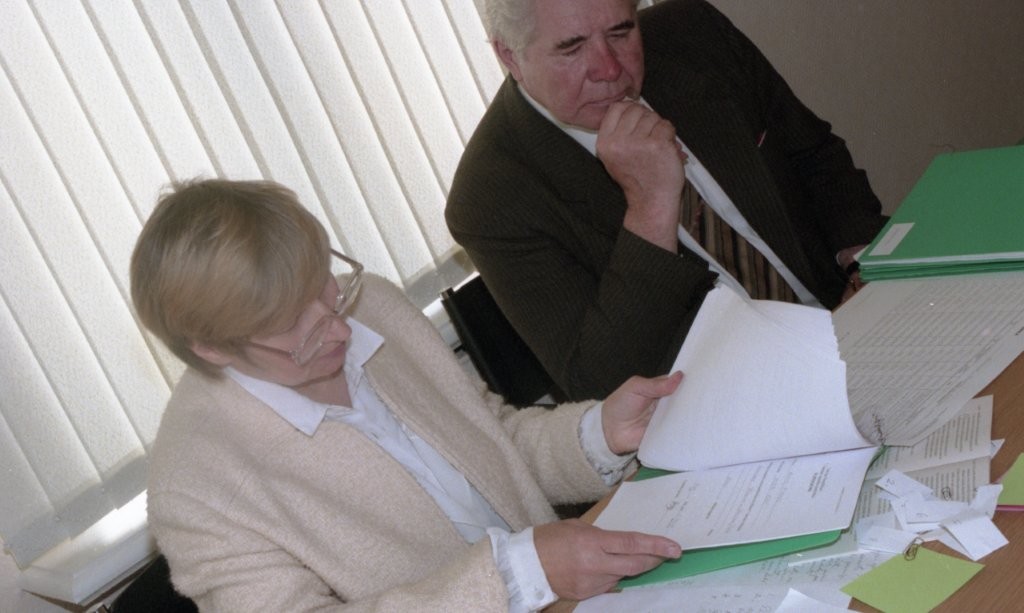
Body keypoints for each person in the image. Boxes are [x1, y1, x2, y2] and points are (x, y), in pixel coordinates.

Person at [131, 178, 684, 611]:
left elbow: (494, 440)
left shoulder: (372, 306)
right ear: (213, 348)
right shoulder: (196, 489)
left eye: (324, 282)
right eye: (293, 323)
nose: (340, 327)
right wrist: (515, 576)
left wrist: (598, 434)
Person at [445, 0, 889, 401]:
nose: (609, 69)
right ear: (509, 55)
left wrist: (862, 266)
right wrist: (651, 207)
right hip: (724, 404)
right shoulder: (491, 198)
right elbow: (597, 381)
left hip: (846, 315)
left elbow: (815, 158)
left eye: (621, 32)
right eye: (572, 48)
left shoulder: (693, 33)